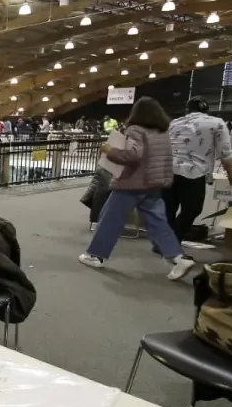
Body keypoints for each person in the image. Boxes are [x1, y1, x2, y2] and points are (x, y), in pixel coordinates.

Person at [78, 97, 195, 280]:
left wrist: (110, 151)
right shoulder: (163, 132)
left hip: (131, 184)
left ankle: (95, 255)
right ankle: (178, 258)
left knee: (110, 220)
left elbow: (134, 155)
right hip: (154, 183)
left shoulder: (135, 130)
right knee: (158, 223)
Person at [163, 97, 232, 242]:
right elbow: (225, 153)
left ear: (187, 109)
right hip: (194, 172)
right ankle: (171, 243)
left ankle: (163, 242)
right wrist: (231, 174)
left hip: (168, 170)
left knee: (168, 209)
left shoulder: (174, 123)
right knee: (193, 209)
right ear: (206, 109)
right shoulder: (217, 123)